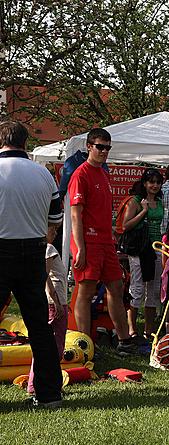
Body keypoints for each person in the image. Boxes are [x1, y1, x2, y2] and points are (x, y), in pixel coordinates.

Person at [0, 120, 63, 407]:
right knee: (39, 326)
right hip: (34, 249)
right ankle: (49, 393)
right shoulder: (44, 174)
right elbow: (55, 220)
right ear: (26, 142)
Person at [68, 128, 134, 356]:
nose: (104, 151)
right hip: (88, 241)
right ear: (89, 146)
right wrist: (80, 249)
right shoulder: (81, 174)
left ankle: (125, 340)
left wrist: (113, 237)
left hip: (106, 242)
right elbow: (76, 214)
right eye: (100, 146)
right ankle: (86, 346)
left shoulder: (104, 173)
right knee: (85, 292)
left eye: (107, 147)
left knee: (116, 287)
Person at [122, 168, 164, 340]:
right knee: (137, 288)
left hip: (156, 248)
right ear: (144, 183)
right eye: (151, 182)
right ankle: (131, 329)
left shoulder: (160, 202)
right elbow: (126, 225)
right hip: (139, 249)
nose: (154, 185)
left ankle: (149, 330)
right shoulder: (136, 201)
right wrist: (144, 211)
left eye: (157, 182)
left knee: (153, 290)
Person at [28, 223, 67, 397]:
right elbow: (45, 277)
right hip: (54, 302)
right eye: (53, 229)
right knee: (54, 347)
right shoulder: (48, 248)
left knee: (50, 345)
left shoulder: (43, 249)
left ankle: (36, 383)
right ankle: (41, 384)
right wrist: (57, 302)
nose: (55, 233)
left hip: (57, 301)